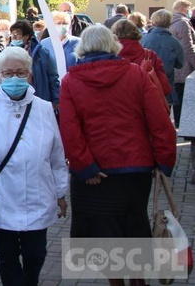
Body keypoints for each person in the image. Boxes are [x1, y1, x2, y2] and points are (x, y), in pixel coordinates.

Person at [59, 26, 177, 286]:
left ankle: (117, 282)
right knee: (133, 225)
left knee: (102, 235)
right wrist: (165, 159)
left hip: (94, 172)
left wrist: (84, 166)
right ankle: (138, 280)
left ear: (83, 48)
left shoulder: (70, 80)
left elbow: (69, 129)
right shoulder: (136, 74)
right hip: (135, 167)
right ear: (113, 45)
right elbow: (159, 120)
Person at [0, 48, 68, 286]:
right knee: (6, 256)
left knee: (36, 254)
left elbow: (57, 156)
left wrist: (61, 192)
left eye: (20, 73)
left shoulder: (43, 108)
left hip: (38, 196)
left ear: (29, 75)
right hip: (1, 198)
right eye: (7, 73)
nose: (14, 78)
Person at [112, 19, 171, 100]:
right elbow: (165, 87)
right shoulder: (149, 55)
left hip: (119, 104)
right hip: (146, 102)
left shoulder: (110, 57)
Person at [8, 20, 60, 108]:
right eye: (12, 34)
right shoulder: (6, 53)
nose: (14, 36)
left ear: (27, 36)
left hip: (39, 98)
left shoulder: (41, 53)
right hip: (15, 102)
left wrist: (56, 99)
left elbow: (53, 77)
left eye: (17, 34)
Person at [142, 9, 184, 108]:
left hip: (147, 83)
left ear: (153, 22)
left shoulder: (144, 40)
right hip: (166, 84)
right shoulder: (174, 42)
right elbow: (180, 64)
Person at [168, 0, 195, 128]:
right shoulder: (183, 23)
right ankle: (182, 124)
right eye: (188, 8)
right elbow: (188, 46)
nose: (189, 11)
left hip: (176, 64)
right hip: (185, 64)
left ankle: (179, 123)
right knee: (184, 96)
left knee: (178, 94)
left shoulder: (172, 22)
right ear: (183, 8)